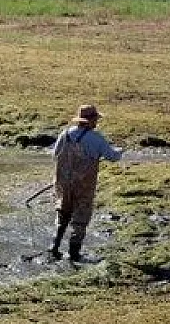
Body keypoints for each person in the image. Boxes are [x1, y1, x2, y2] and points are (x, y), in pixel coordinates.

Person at [48, 104, 123, 261]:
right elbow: (112, 157)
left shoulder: (65, 134)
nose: (97, 122)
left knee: (62, 214)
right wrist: (120, 151)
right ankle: (73, 254)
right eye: (96, 119)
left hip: (63, 184)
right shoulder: (96, 138)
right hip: (83, 186)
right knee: (80, 219)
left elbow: (55, 154)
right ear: (91, 121)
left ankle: (54, 247)